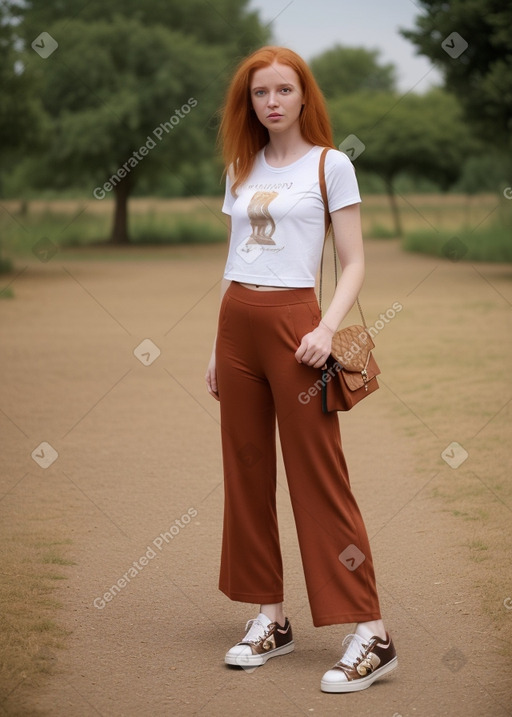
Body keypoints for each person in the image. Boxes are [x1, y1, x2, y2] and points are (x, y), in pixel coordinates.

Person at [205, 45, 397, 693]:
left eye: (285, 89)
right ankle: (271, 618)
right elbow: (234, 258)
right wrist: (215, 345)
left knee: (319, 475)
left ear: (304, 96)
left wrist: (322, 326)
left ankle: (372, 632)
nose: (274, 101)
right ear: (249, 102)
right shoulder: (241, 165)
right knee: (247, 469)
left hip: (298, 328)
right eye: (262, 92)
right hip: (237, 322)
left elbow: (355, 261)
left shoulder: (330, 164)